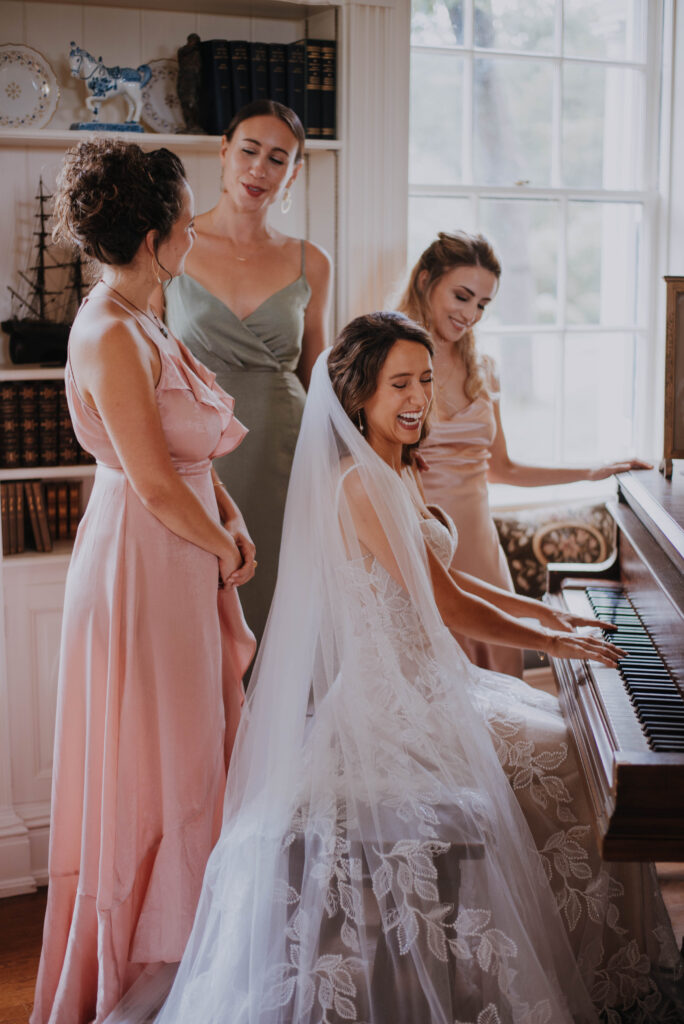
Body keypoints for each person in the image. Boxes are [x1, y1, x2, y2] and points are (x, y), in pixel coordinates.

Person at [104, 313, 682, 1024]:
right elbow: (448, 606)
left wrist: (547, 613)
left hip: (438, 684)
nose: (418, 397)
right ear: (361, 396)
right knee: (573, 764)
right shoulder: (362, 486)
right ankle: (602, 978)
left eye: (426, 381)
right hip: (399, 705)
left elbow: (451, 581)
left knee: (573, 753)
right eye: (400, 384)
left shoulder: (395, 467)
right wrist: (553, 644)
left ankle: (599, 967)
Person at [31, 139, 256, 1024]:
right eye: (188, 223)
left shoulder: (148, 312)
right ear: (157, 235)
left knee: (195, 758)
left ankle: (199, 952)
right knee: (163, 767)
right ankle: (145, 973)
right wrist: (226, 549)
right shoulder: (108, 330)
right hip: (145, 561)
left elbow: (189, 455)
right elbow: (154, 481)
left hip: (180, 546)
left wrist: (230, 518)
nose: (195, 235)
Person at [398, 231, 651, 677]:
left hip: (479, 547)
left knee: (502, 694)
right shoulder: (393, 363)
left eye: (482, 304)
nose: (471, 314)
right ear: (424, 281)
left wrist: (592, 471)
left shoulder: (484, 369)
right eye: (462, 295)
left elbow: (503, 468)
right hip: (420, 543)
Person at [164, 99, 331, 650]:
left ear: (294, 173)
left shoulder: (312, 261)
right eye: (250, 151)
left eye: (278, 159)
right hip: (194, 451)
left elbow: (318, 370)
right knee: (197, 606)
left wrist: (371, 443)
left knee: (278, 599)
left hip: (285, 452)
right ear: (223, 152)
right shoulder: (170, 243)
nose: (260, 168)